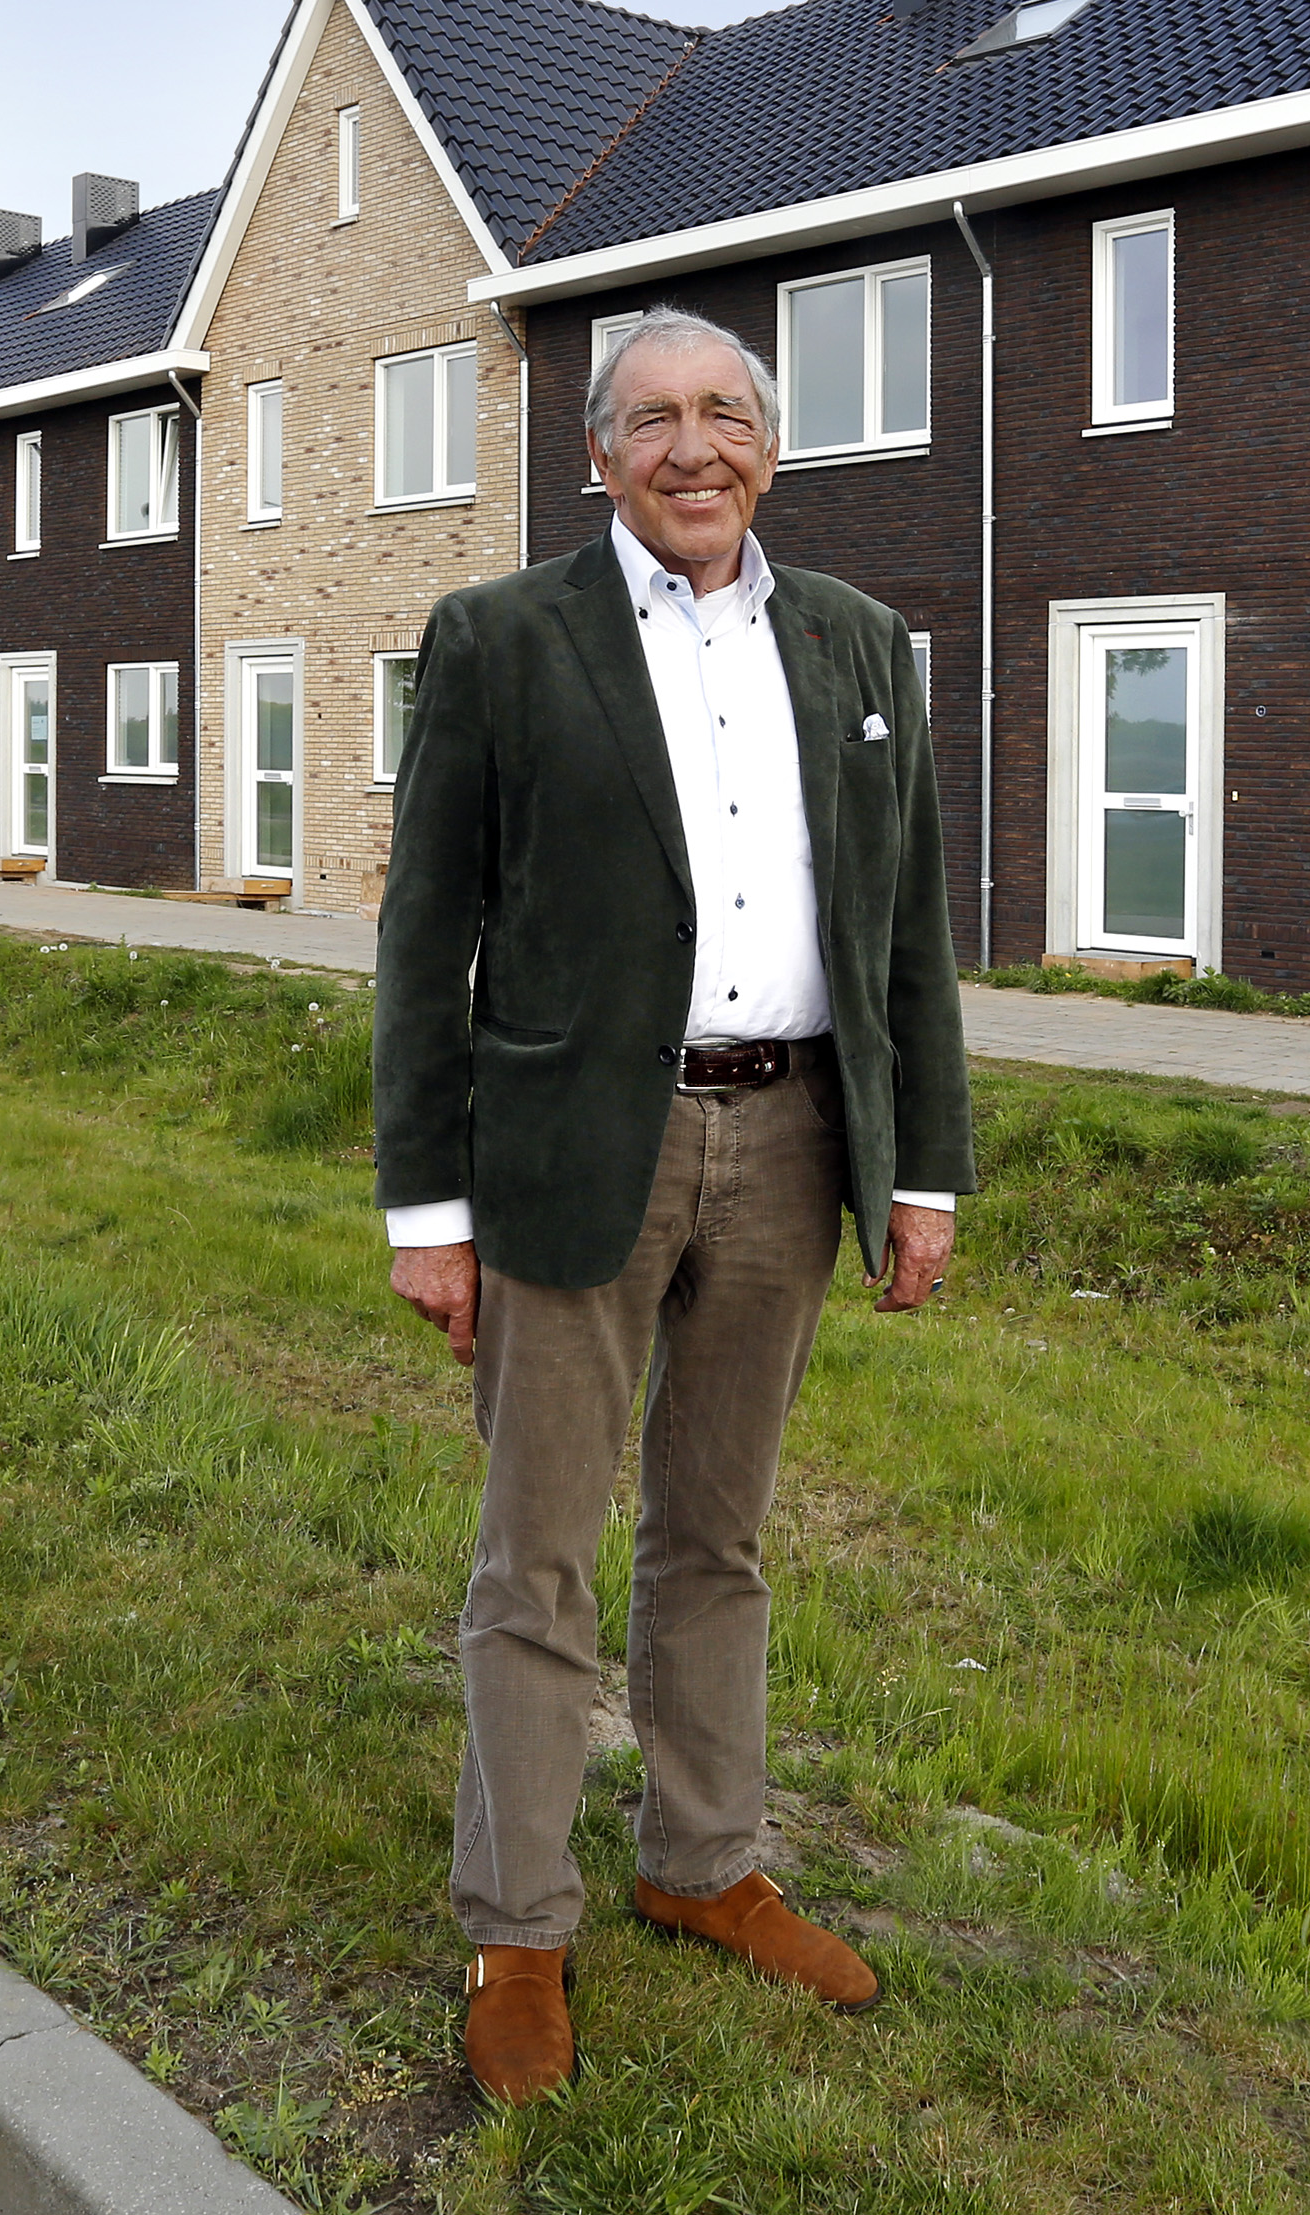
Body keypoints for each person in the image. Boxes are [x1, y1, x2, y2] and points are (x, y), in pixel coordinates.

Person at [373, 304, 974, 2105]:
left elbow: (911, 935)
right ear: (597, 456)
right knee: (536, 1559)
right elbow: (426, 938)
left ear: (770, 449)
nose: (693, 448)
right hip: (573, 1158)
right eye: (653, 420)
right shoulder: (499, 639)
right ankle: (519, 1928)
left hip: (792, 1146)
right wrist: (426, 1203)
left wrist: (920, 1175)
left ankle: (702, 1865)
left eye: (726, 415)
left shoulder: (864, 647)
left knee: (719, 1543)